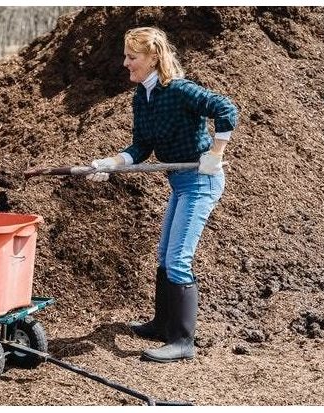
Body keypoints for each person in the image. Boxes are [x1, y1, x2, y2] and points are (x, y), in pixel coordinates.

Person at [86, 27, 238, 362]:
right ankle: (162, 324)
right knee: (164, 256)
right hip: (180, 181)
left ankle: (183, 341)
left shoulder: (179, 90)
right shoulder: (142, 96)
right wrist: (109, 163)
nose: (125, 63)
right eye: (125, 56)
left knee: (178, 259)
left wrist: (216, 152)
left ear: (153, 57)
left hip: (201, 182)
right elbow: (141, 147)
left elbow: (226, 108)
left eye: (132, 57)